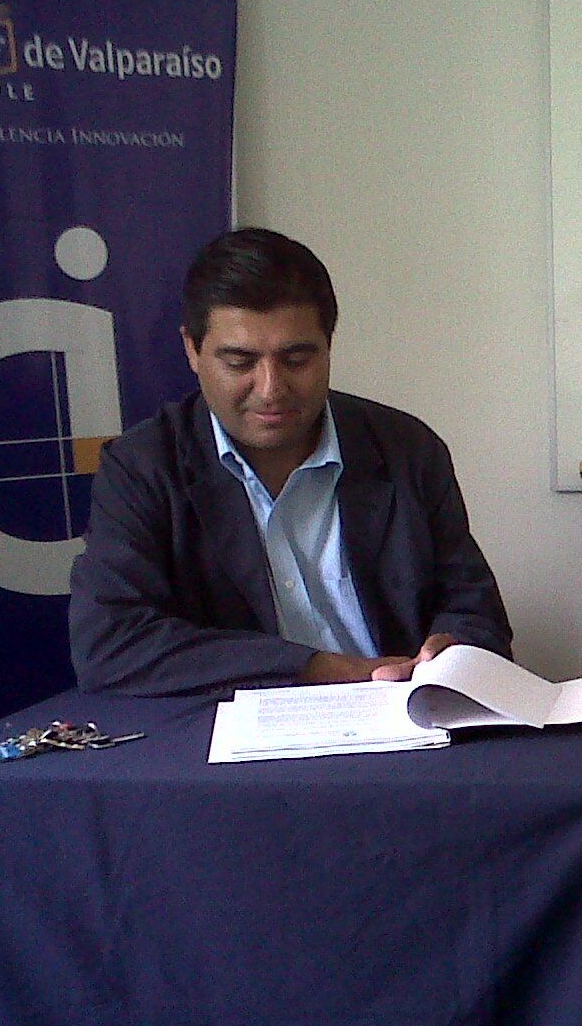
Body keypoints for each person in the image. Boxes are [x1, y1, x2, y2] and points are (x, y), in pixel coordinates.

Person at [69, 228, 512, 696]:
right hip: (234, 728)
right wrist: (317, 668)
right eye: (240, 362)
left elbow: (478, 615)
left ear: (328, 346)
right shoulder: (142, 467)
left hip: (404, 714)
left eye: (297, 359)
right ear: (192, 350)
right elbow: (108, 643)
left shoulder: (407, 448)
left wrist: (455, 649)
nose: (271, 389)